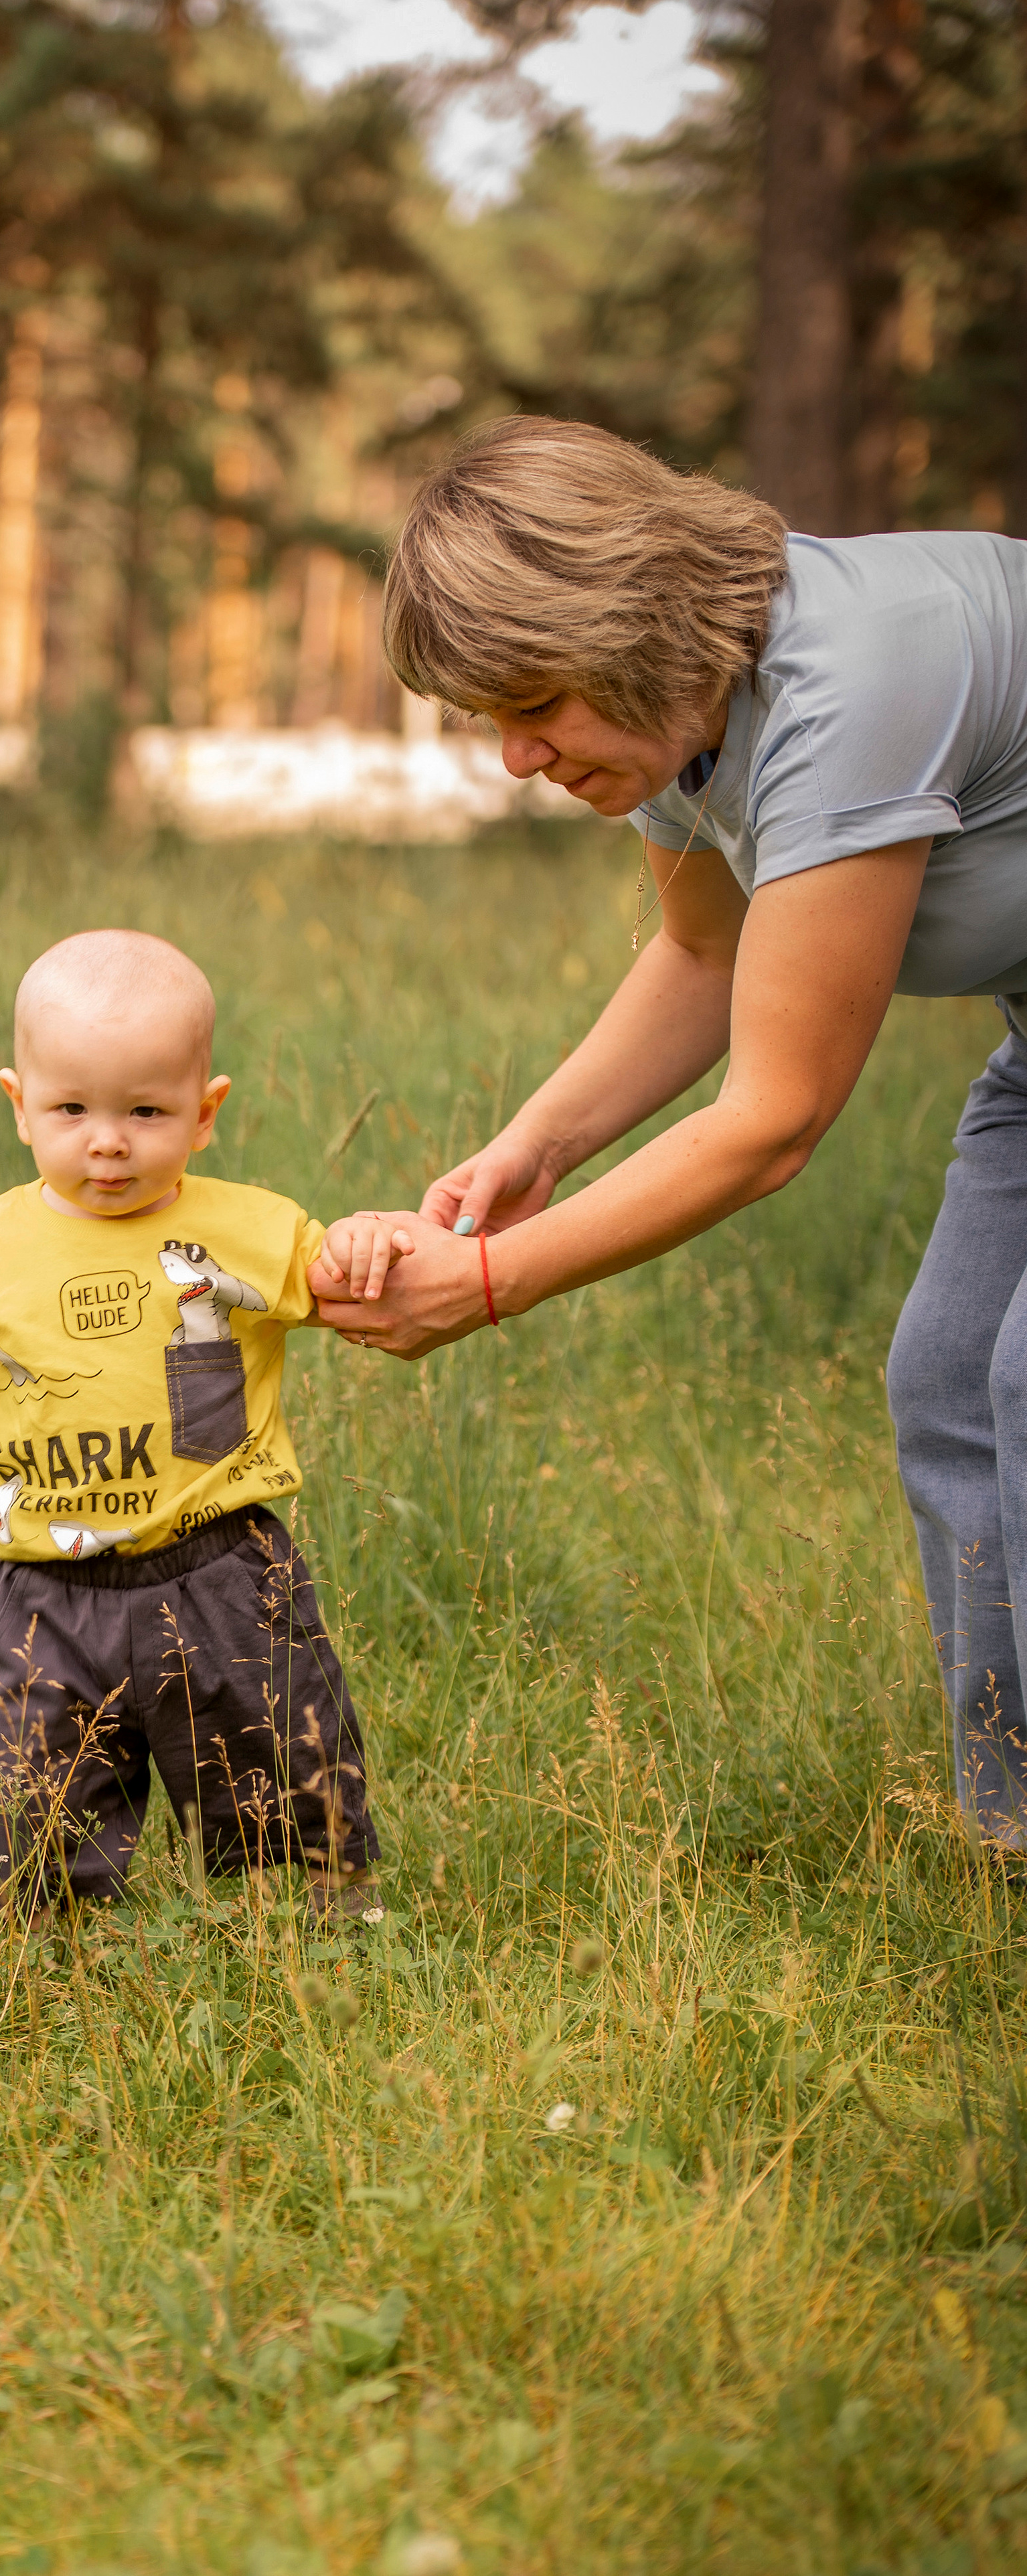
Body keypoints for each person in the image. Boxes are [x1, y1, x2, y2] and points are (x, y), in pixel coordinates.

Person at [313, 413, 1027, 1852]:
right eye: (483, 718)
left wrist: (493, 1285)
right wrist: (531, 1150)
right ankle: (1007, 1833)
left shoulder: (856, 678)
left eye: (530, 700)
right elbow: (703, 960)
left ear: (625, 622)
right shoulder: (682, 722)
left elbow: (770, 1121)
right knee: (948, 1383)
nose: (515, 758)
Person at [0, 930, 406, 1926]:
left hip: (224, 1566)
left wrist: (369, 1237)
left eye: (146, 1112)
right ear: (19, 1104)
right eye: (71, 1109)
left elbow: (347, 1280)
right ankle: (43, 1966)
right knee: (37, 1804)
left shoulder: (248, 1226)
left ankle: (321, 1929)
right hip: (48, 1591)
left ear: (205, 1115)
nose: (107, 1141)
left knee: (283, 1760)